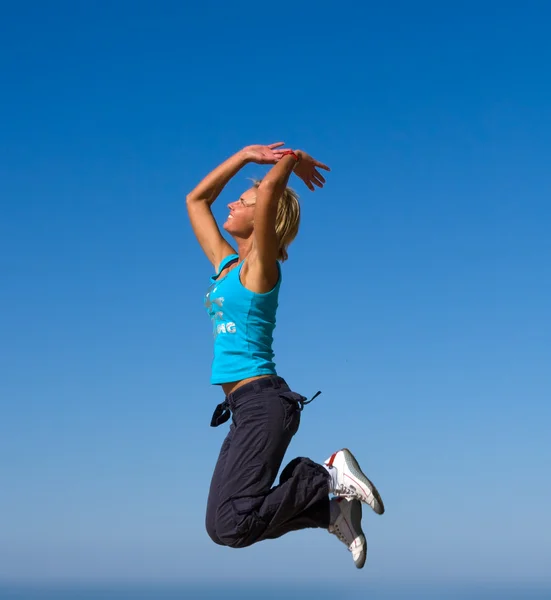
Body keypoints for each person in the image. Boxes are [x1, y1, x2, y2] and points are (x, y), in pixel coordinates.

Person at [186, 142, 385, 569]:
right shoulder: (226, 268)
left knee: (231, 525)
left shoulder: (262, 267)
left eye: (247, 201)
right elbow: (196, 200)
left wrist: (289, 159)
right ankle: (329, 511)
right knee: (223, 525)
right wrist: (243, 156)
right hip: (245, 407)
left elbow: (273, 192)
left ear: (264, 218)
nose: (235, 202)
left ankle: (329, 475)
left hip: (264, 404)